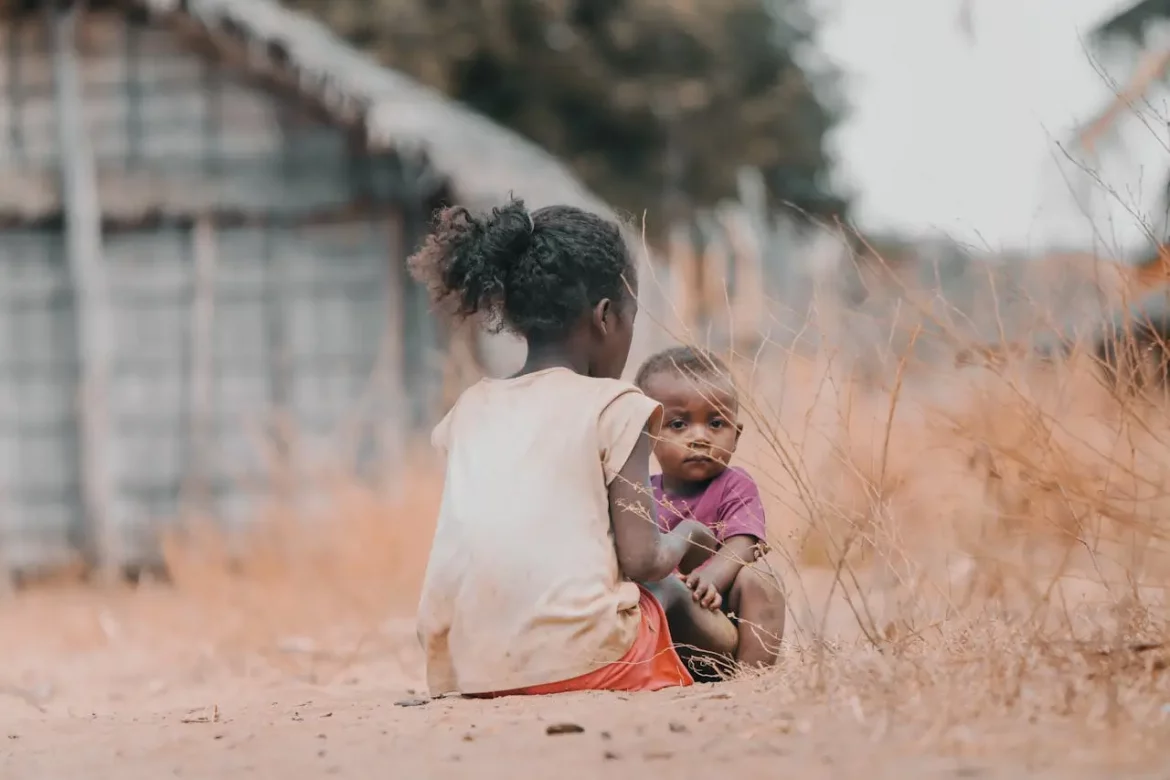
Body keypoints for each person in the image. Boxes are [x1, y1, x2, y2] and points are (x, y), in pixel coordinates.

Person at [412, 198, 739, 698]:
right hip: (582, 663)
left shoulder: (468, 410)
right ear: (606, 317)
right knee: (667, 591)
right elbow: (644, 561)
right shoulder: (616, 405)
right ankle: (744, 659)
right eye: (631, 318)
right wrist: (690, 533)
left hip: (465, 671)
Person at [634, 346, 786, 671]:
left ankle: (750, 675)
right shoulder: (638, 493)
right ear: (647, 435)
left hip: (719, 622)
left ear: (736, 435)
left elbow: (745, 541)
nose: (700, 438)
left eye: (716, 423)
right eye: (678, 425)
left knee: (762, 578)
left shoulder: (734, 484)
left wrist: (711, 577)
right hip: (664, 621)